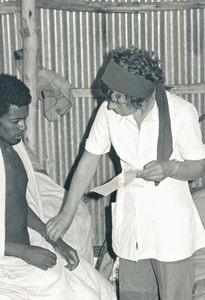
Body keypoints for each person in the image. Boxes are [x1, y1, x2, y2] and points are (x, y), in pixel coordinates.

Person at [46, 47, 205, 300]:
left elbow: (198, 165)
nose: (109, 105)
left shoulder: (181, 113)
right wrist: (67, 213)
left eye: (116, 99)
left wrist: (171, 168)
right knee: (135, 295)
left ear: (138, 98)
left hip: (171, 228)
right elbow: (89, 160)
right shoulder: (109, 113)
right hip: (132, 224)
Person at [0, 74, 116, 299]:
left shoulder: (15, 150)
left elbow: (18, 206)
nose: (23, 127)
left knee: (101, 290)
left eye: (24, 119)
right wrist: (23, 252)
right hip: (9, 263)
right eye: (15, 122)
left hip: (28, 248)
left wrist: (56, 240)